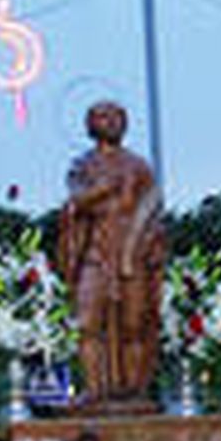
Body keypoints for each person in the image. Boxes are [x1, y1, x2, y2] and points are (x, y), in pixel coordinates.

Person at [56, 100, 167, 408]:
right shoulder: (83, 165)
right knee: (88, 321)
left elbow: (153, 204)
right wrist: (103, 189)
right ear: (90, 125)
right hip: (96, 249)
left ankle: (133, 388)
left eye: (118, 116)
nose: (112, 122)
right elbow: (75, 202)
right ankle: (95, 388)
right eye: (103, 117)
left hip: (132, 251)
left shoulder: (138, 165)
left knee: (134, 324)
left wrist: (140, 241)